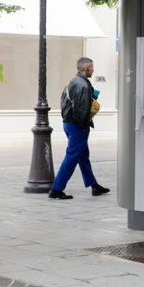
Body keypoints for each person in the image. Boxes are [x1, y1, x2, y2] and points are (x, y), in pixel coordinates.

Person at [48, 57, 110, 199]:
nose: (93, 70)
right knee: (72, 157)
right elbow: (81, 109)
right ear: (86, 68)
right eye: (92, 67)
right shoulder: (82, 85)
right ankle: (56, 189)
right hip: (77, 125)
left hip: (69, 123)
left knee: (83, 156)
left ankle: (94, 185)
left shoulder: (73, 81)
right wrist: (83, 126)